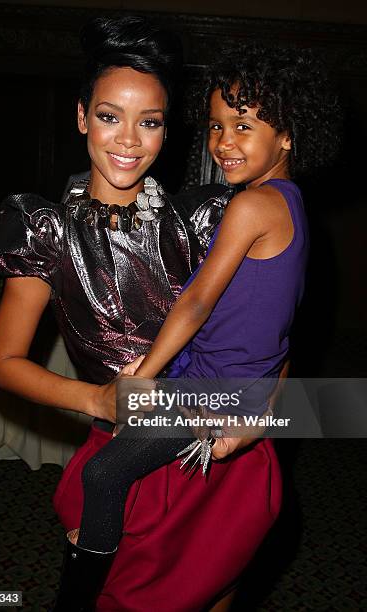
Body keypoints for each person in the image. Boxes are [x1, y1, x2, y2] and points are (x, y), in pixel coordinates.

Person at [52, 43, 341, 610]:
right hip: (227, 386)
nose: (223, 143)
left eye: (243, 125)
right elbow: (281, 328)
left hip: (209, 393)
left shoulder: (252, 206)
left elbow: (197, 305)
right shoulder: (290, 203)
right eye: (214, 126)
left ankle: (77, 598)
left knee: (103, 478)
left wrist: (145, 378)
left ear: (288, 135)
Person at [0, 15, 235, 612]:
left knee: (215, 586)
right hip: (122, 450)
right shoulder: (44, 231)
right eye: (108, 116)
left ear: (166, 132)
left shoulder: (203, 221)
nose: (128, 139)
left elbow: (269, 330)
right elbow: (4, 362)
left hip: (209, 439)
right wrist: (96, 399)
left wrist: (258, 411)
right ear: (81, 117)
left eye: (148, 122)